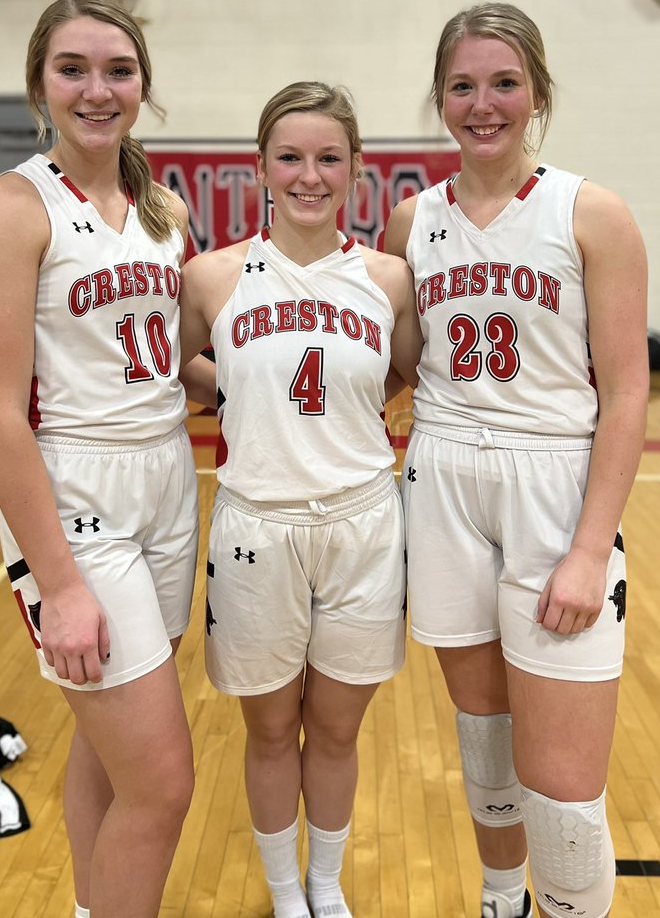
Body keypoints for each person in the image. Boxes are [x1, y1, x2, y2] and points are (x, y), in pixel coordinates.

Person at [384, 3, 648, 918]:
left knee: (565, 791)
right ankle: (505, 901)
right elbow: (391, 370)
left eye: (503, 83)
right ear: (440, 97)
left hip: (554, 487)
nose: (483, 104)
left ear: (536, 91)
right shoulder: (409, 221)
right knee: (487, 745)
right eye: (463, 85)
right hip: (445, 478)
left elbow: (626, 393)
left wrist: (588, 549)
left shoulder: (592, 212)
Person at [0, 0, 210, 918]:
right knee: (164, 783)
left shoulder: (162, 207)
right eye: (74, 69)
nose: (97, 90)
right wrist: (58, 584)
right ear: (39, 85)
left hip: (169, 481)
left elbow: (172, 364)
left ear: (142, 84)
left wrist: (281, 373)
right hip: (75, 493)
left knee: (110, 750)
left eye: (118, 70)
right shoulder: (9, 209)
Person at [179, 81, 422, 918]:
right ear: (261, 169)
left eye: (328, 158)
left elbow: (405, 371)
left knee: (341, 729)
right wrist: (242, 396)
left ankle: (327, 883)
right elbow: (180, 367)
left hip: (363, 523)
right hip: (258, 526)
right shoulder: (212, 277)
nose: (308, 175)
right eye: (290, 157)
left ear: (357, 171)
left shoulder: (388, 278)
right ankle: (286, 895)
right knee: (272, 730)